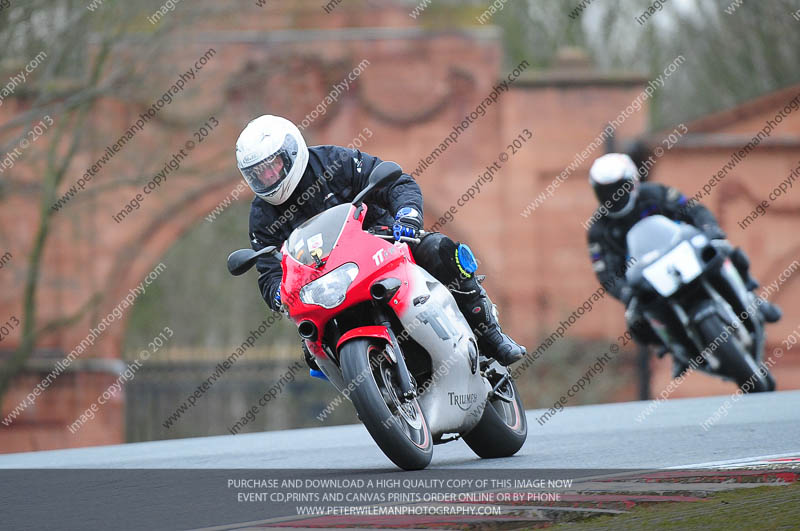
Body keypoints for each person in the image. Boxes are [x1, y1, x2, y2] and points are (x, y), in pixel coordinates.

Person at [235, 114, 526, 366]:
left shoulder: (335, 162)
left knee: (440, 249)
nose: (269, 177)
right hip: (324, 284)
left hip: (381, 245)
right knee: (310, 341)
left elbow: (395, 182)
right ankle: (368, 386)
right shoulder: (262, 215)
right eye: (258, 173)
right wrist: (277, 293)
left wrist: (408, 216)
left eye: (272, 165)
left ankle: (489, 332)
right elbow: (268, 270)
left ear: (290, 152)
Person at [585, 153, 782, 375]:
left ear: (633, 183)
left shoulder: (656, 194)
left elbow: (693, 210)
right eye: (605, 191)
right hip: (650, 279)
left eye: (617, 188)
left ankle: (752, 298)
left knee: (725, 252)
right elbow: (604, 271)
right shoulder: (598, 229)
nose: (612, 196)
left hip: (682, 253)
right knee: (636, 321)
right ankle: (675, 348)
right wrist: (625, 292)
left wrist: (711, 231)